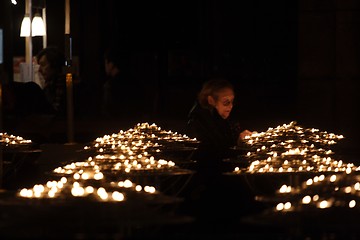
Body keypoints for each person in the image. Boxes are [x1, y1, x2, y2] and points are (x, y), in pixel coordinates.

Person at [186, 78, 252, 150]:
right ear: (211, 100)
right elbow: (212, 153)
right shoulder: (198, 123)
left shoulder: (226, 120)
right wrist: (237, 143)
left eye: (232, 101)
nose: (231, 106)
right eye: (226, 102)